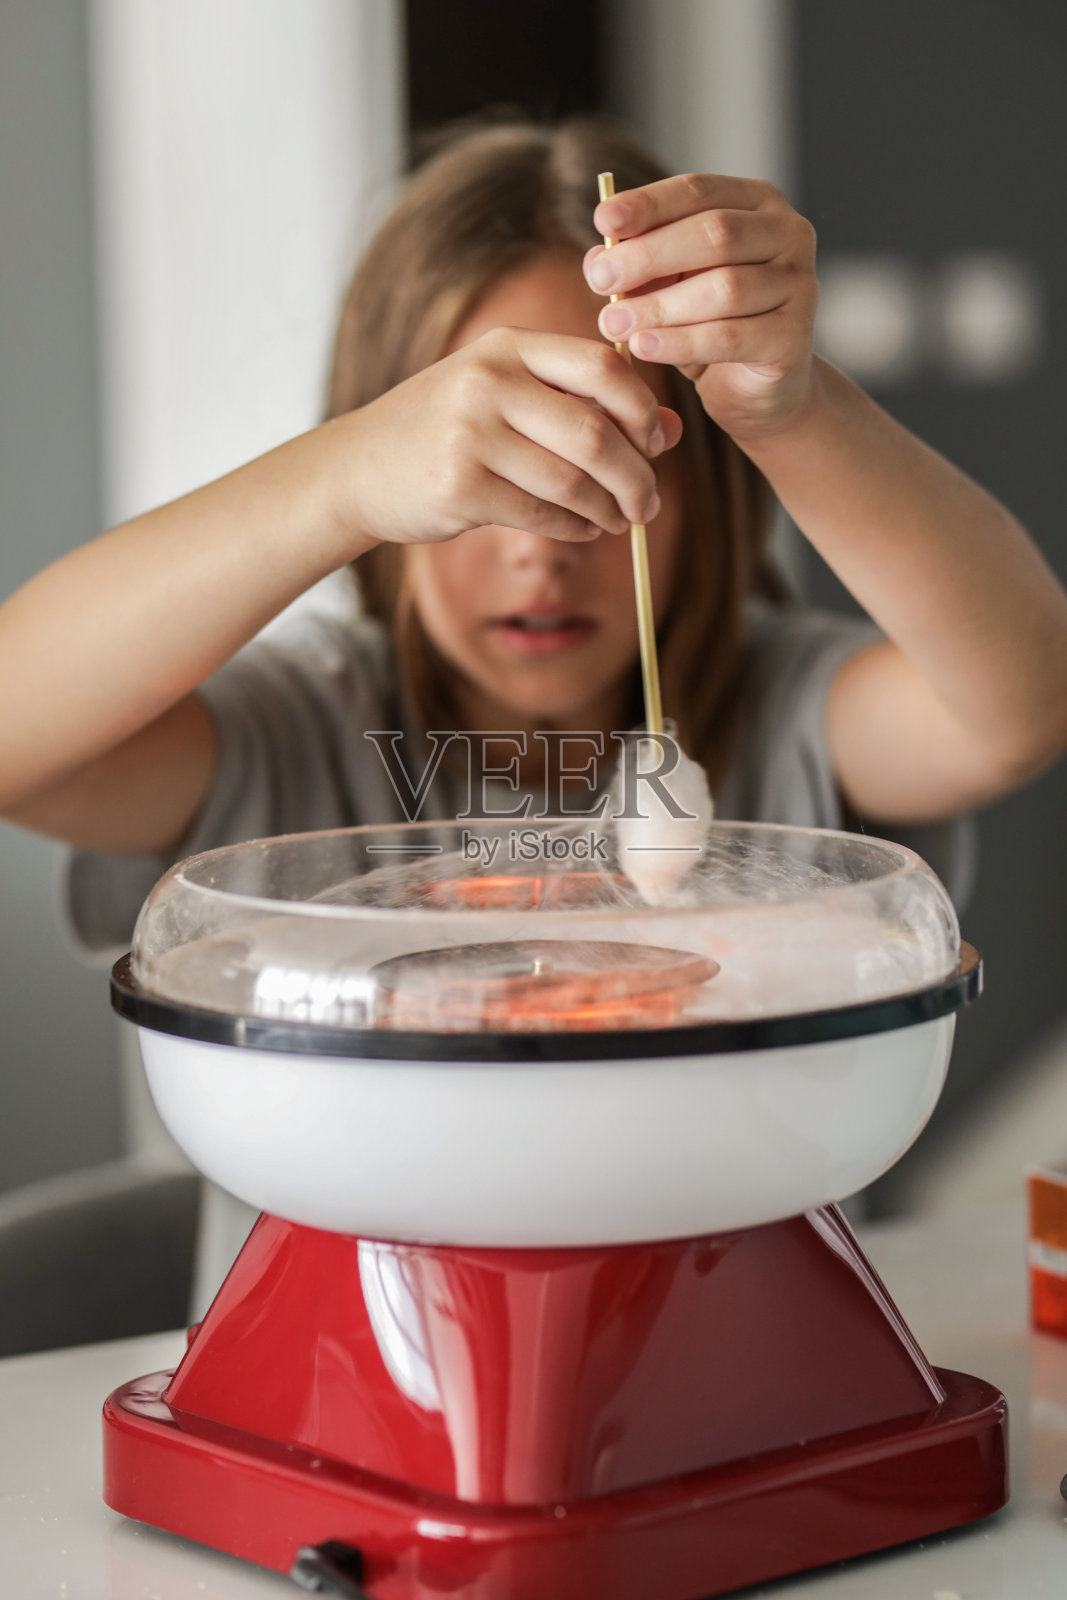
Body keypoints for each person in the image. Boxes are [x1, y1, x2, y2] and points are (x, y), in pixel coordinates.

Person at [1, 120, 1065, 1281]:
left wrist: (788, 407)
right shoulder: (294, 730)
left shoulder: (782, 708)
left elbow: (1018, 700)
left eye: (609, 451)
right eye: (480, 470)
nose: (540, 550)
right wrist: (337, 478)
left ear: (701, 483)